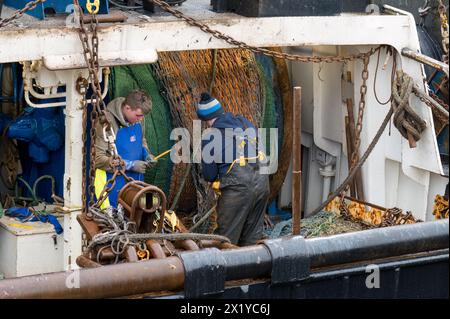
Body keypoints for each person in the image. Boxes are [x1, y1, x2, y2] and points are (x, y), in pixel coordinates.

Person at [197, 92, 270, 246]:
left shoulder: (210, 136)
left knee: (226, 241)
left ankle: (227, 270)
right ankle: (253, 268)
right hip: (263, 184)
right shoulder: (246, 123)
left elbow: (209, 175)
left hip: (238, 191)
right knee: (252, 239)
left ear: (206, 120)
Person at [94, 89, 157, 208]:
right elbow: (98, 159)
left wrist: (146, 154)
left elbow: (141, 140)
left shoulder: (137, 119)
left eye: (142, 116)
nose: (141, 119)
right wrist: (131, 165)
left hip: (135, 182)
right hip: (110, 185)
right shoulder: (106, 123)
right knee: (114, 222)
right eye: (138, 115)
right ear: (127, 108)